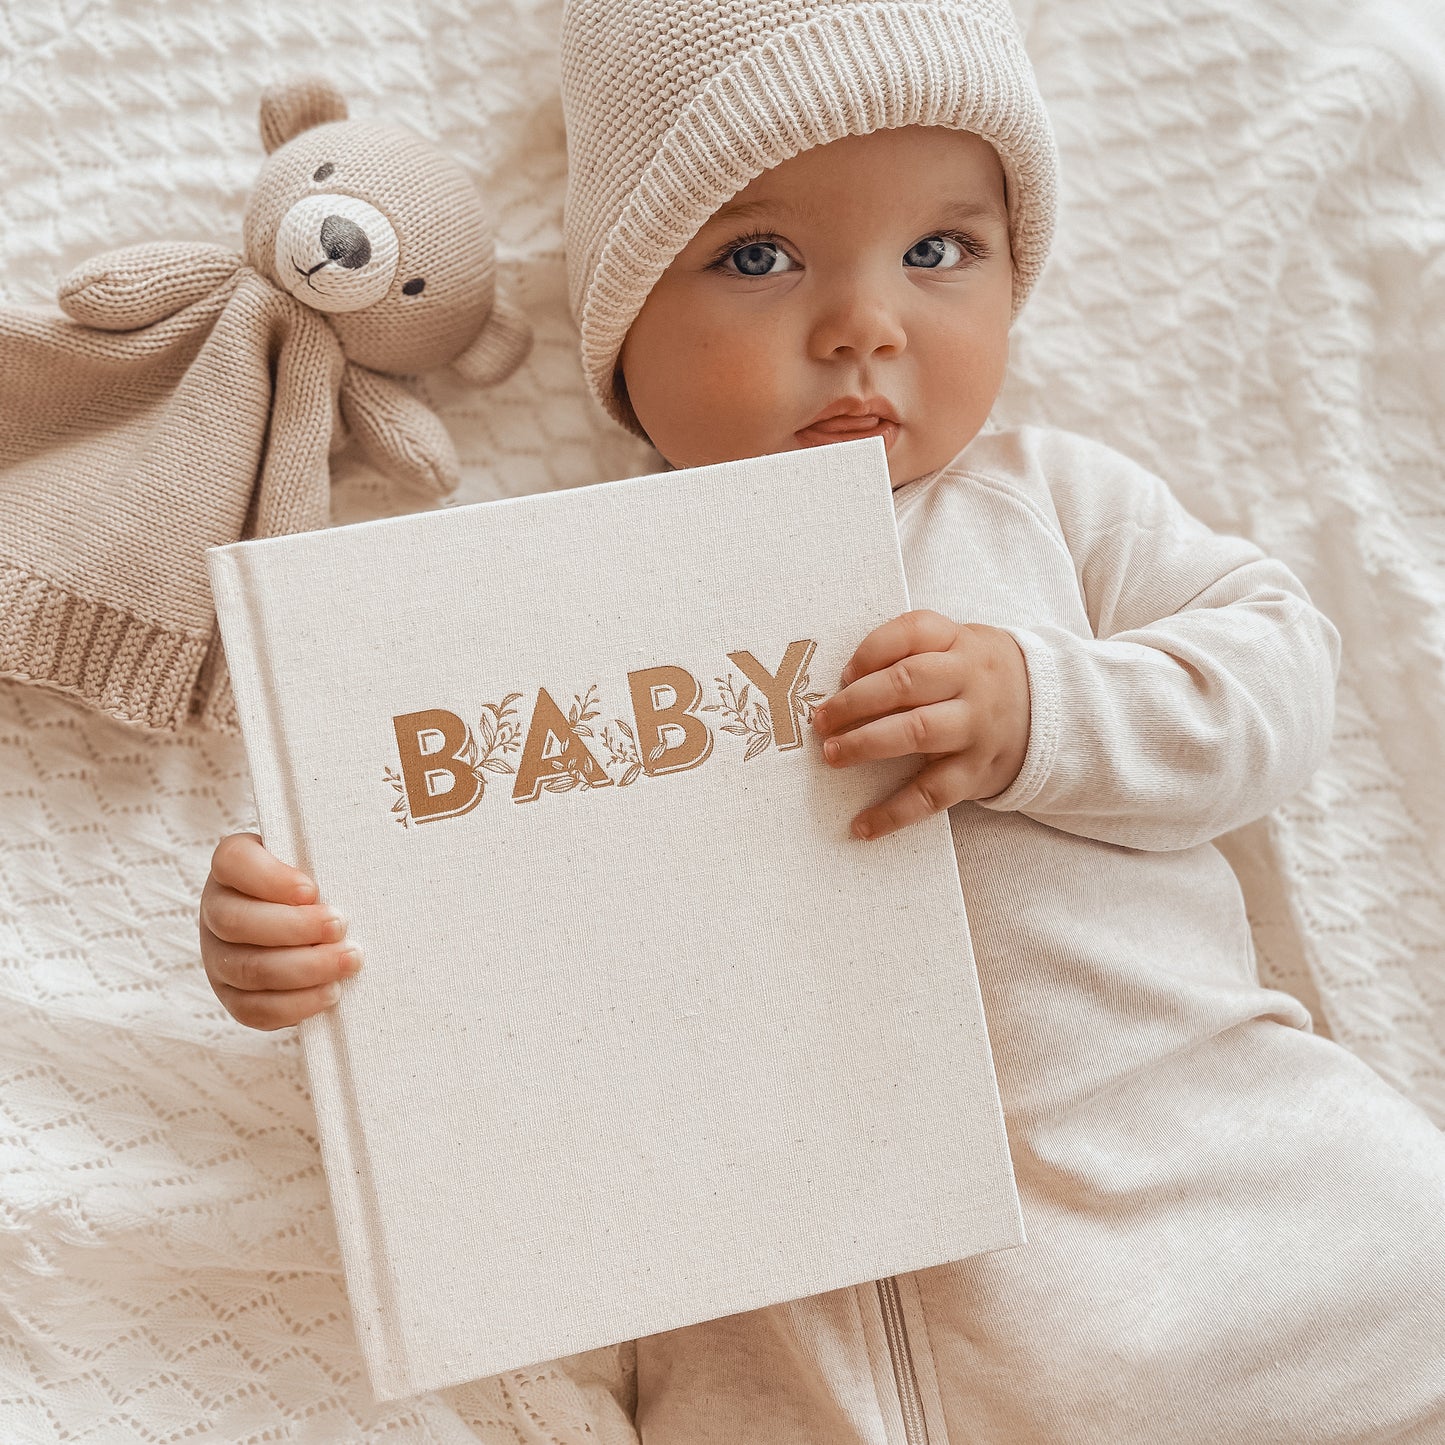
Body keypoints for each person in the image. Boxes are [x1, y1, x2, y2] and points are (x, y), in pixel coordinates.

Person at [199, 1, 1445, 1439]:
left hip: (1232, 1224)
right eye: (758, 256)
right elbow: (432, 890)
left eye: (938, 251)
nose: (864, 322)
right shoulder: (537, 613)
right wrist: (288, 934)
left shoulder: (1048, 504)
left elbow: (1276, 671)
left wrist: (1043, 704)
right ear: (623, 318)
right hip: (804, 1356)